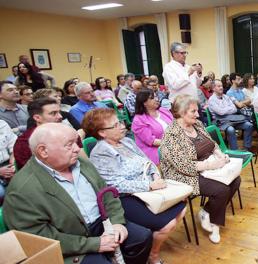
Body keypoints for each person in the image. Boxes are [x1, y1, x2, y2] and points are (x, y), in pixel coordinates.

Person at [3, 123, 153, 264]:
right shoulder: (22, 190)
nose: (77, 149)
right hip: (70, 240)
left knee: (142, 237)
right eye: (69, 145)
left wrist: (117, 223)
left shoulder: (81, 163)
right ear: (43, 151)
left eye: (76, 142)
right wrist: (94, 244)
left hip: (101, 223)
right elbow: (39, 238)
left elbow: (107, 194)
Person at [84, 108, 185, 264]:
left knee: (182, 208)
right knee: (168, 223)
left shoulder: (126, 142)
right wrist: (150, 185)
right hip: (123, 198)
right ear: (102, 133)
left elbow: (147, 161)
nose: (123, 126)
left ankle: (152, 245)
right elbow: (116, 185)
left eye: (120, 122)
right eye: (116, 125)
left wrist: (155, 174)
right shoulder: (100, 153)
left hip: (146, 190)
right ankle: (153, 255)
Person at [160, 94, 241, 244]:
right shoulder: (171, 134)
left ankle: (207, 211)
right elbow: (183, 165)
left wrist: (220, 155)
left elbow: (212, 143)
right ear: (182, 112)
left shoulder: (197, 124)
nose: (198, 115)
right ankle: (215, 226)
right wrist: (212, 165)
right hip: (183, 174)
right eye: (193, 111)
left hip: (206, 166)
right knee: (221, 190)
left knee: (235, 180)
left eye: (197, 111)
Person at [13, 97, 86, 169]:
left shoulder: (70, 133)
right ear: (37, 118)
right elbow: (31, 172)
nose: (60, 116)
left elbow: (84, 162)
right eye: (53, 113)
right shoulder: (25, 143)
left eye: (59, 112)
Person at [208, 80, 254, 151]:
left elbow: (234, 109)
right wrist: (228, 109)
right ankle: (234, 151)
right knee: (231, 130)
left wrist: (225, 109)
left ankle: (246, 148)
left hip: (232, 119)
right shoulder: (211, 100)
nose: (221, 88)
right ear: (213, 88)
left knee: (249, 125)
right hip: (220, 121)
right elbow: (220, 112)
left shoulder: (226, 97)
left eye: (222, 86)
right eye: (219, 86)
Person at [131, 89, 173, 164]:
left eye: (156, 96)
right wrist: (173, 143)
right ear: (144, 103)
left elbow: (176, 127)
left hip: (171, 145)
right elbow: (152, 141)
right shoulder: (138, 120)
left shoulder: (163, 111)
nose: (156, 99)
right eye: (152, 98)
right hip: (156, 151)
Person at [0, 119, 16, 204]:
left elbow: (14, 144)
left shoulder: (2, 124)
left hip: (8, 164)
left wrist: (13, 162)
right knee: (1, 192)